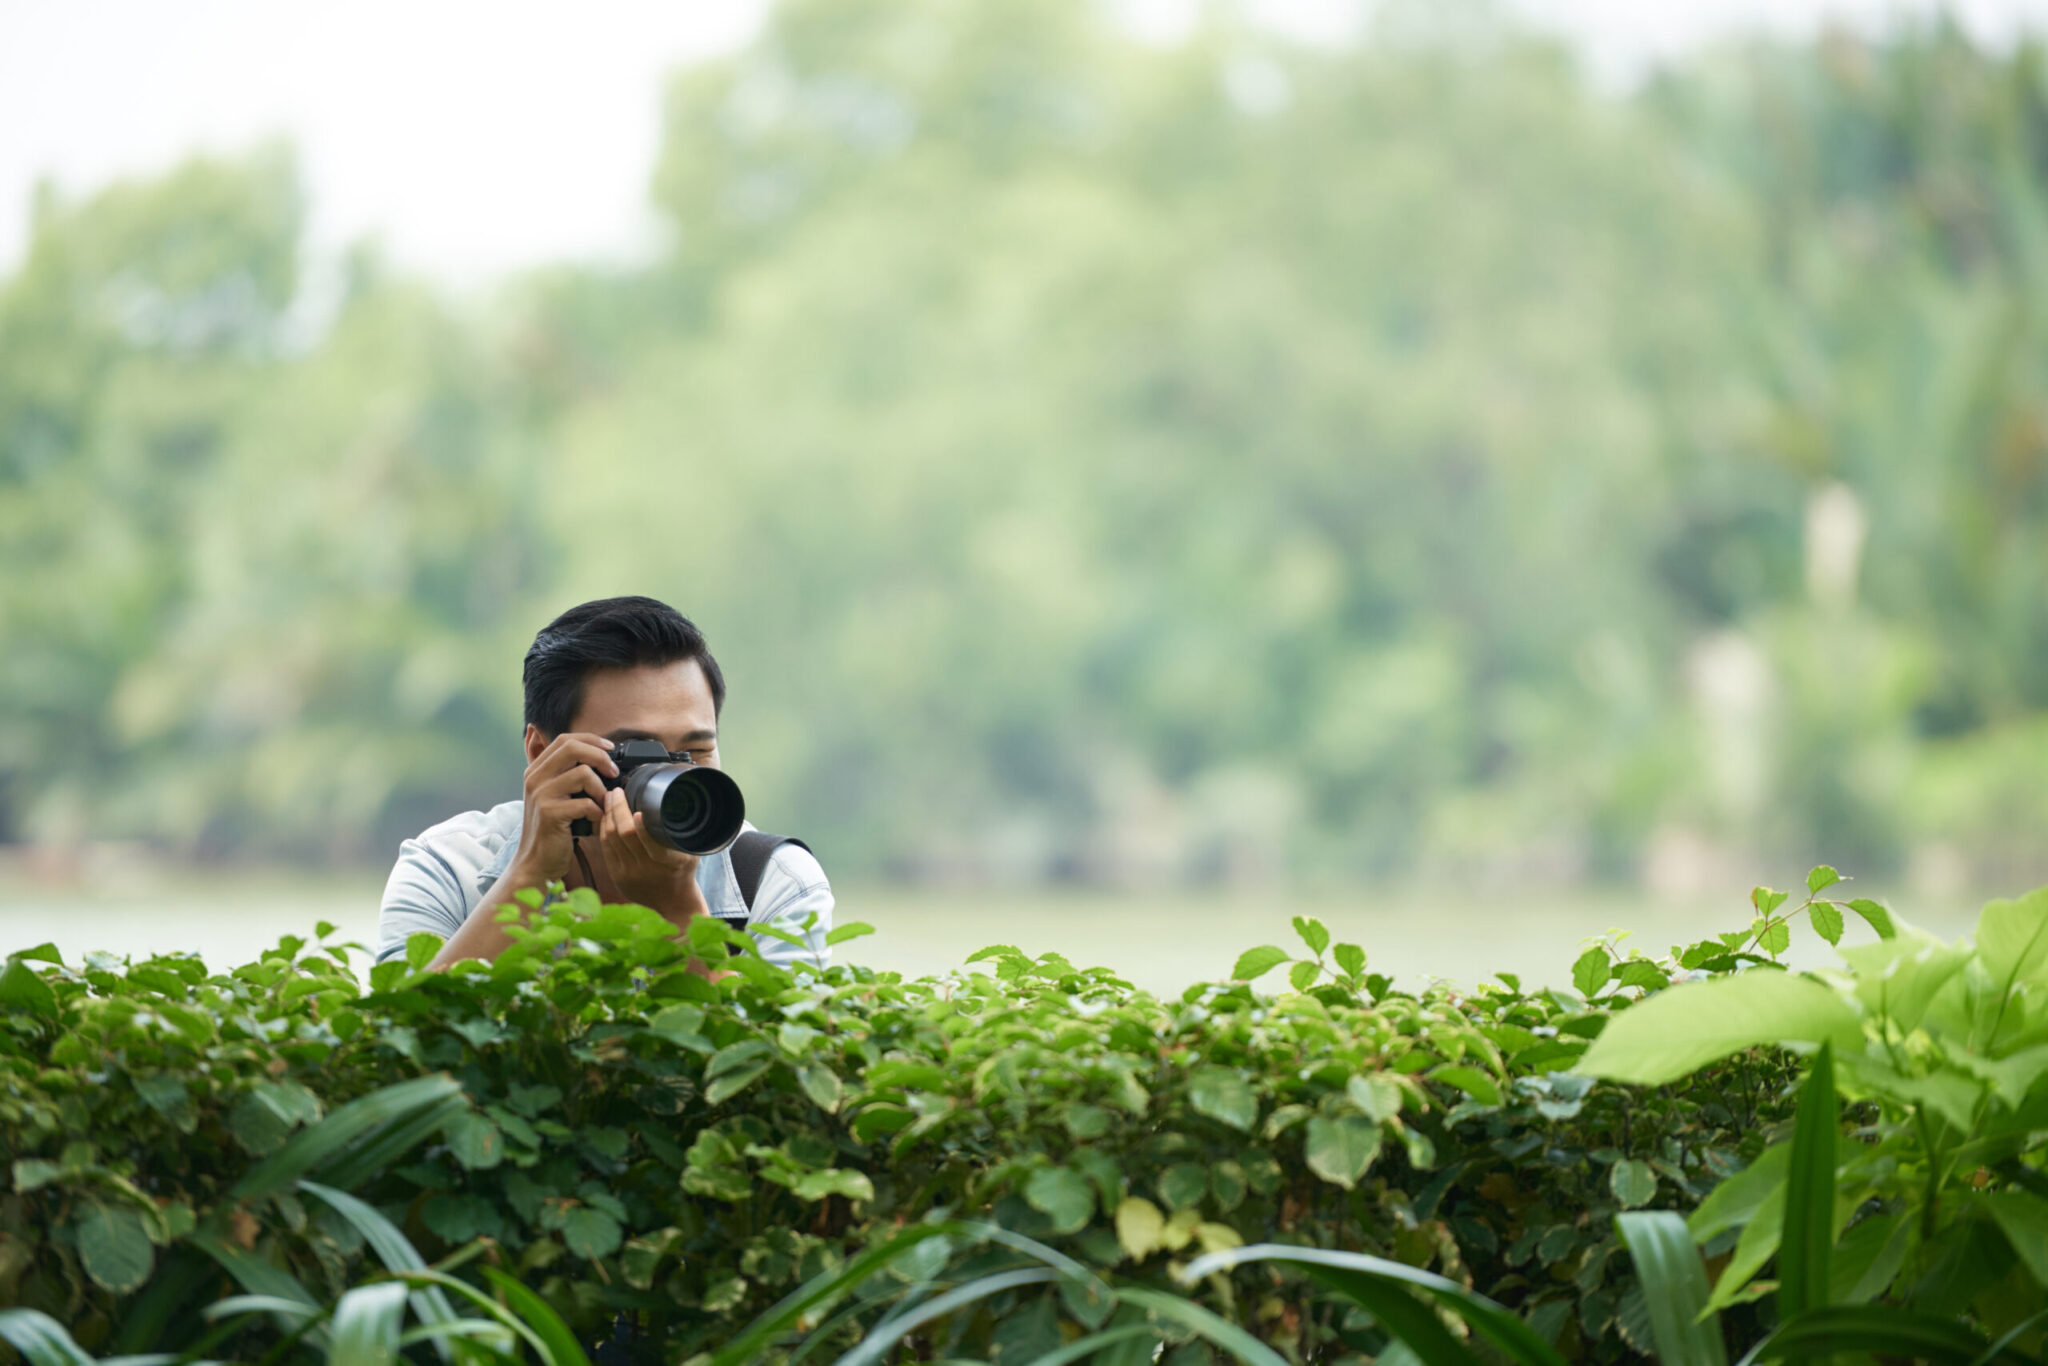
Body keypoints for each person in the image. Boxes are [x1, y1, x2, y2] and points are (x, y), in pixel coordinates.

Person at [376, 596, 832, 971]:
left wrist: (679, 911)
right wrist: (528, 874)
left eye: (694, 753)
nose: (676, 778)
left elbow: (774, 1077)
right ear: (541, 752)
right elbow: (402, 1052)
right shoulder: (448, 870)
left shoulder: (774, 882)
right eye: (637, 752)